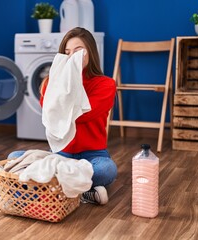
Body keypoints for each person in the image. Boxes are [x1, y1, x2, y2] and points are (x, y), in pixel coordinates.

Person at [8, 27, 117, 205]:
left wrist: (74, 76)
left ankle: (50, 186)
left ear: (91, 52)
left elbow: (80, 115)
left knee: (107, 169)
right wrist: (62, 78)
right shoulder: (51, 83)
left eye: (78, 51)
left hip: (92, 156)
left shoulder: (106, 84)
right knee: (14, 157)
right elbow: (51, 115)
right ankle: (82, 191)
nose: (72, 56)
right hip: (60, 155)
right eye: (67, 53)